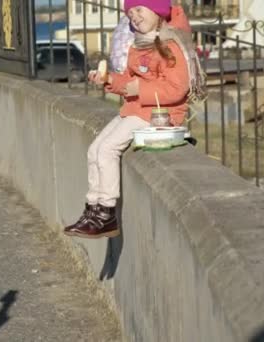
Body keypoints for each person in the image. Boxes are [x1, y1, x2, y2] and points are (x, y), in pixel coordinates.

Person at [64, 0, 205, 239]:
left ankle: (105, 214)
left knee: (108, 149)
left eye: (139, 9)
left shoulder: (170, 45)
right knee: (95, 149)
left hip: (160, 114)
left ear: (158, 11)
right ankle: (92, 208)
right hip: (136, 110)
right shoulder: (138, 46)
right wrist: (108, 80)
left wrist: (139, 88)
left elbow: (176, 89)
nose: (134, 17)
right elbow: (128, 83)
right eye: (129, 13)